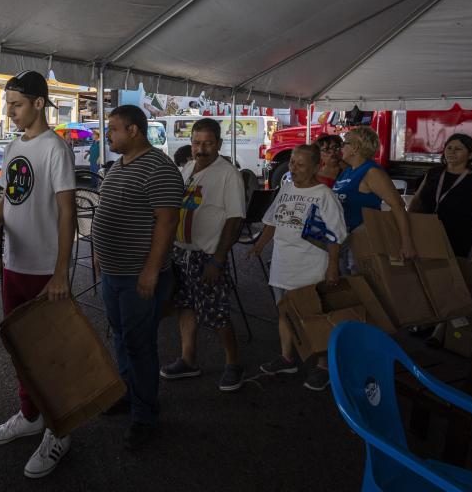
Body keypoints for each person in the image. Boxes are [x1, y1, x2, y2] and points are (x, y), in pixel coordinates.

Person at [0, 70, 77, 479]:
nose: (10, 113)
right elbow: (10, 196)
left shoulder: (55, 149)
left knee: (49, 353)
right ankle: (30, 414)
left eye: (16, 105)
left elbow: (68, 214)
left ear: (39, 103)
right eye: (8, 105)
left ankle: (59, 429)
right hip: (14, 264)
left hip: (43, 269)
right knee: (19, 346)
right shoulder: (14, 146)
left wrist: (60, 274)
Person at [91, 104, 183, 450]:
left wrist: (150, 270)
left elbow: (167, 222)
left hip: (137, 276)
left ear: (134, 131)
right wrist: (100, 254)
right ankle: (129, 393)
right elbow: (108, 211)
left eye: (113, 129)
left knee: (139, 344)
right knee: (121, 337)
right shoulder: (119, 165)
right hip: (115, 273)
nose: (108, 135)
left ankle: (145, 415)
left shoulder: (159, 168)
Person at [249, 145, 346, 391]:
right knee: (284, 313)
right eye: (292, 162)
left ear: (316, 167)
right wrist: (258, 246)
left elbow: (336, 235)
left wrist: (333, 267)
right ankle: (287, 358)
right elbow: (272, 221)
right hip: (283, 264)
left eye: (300, 164)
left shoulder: (324, 194)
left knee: (316, 317)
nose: (293, 168)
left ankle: (323, 367)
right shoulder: (286, 188)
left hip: (311, 267)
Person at [160, 118, 246, 391]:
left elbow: (234, 220)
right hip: (183, 254)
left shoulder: (227, 174)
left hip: (207, 256)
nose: (201, 148)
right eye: (197, 143)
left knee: (217, 313)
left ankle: (234, 363)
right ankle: (188, 359)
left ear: (218, 144)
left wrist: (218, 259)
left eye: (208, 143)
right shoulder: (188, 168)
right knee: (185, 307)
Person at [332, 126, 415, 264]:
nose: (341, 148)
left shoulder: (371, 172)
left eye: (344, 144)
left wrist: (406, 243)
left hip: (362, 240)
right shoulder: (348, 171)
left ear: (355, 148)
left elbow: (398, 206)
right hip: (343, 239)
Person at [407, 133, 472, 260]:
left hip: (455, 241)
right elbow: (416, 201)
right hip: (423, 234)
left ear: (471, 155)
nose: (452, 152)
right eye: (449, 148)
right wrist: (407, 230)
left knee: (447, 277)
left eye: (458, 149)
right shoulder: (433, 173)